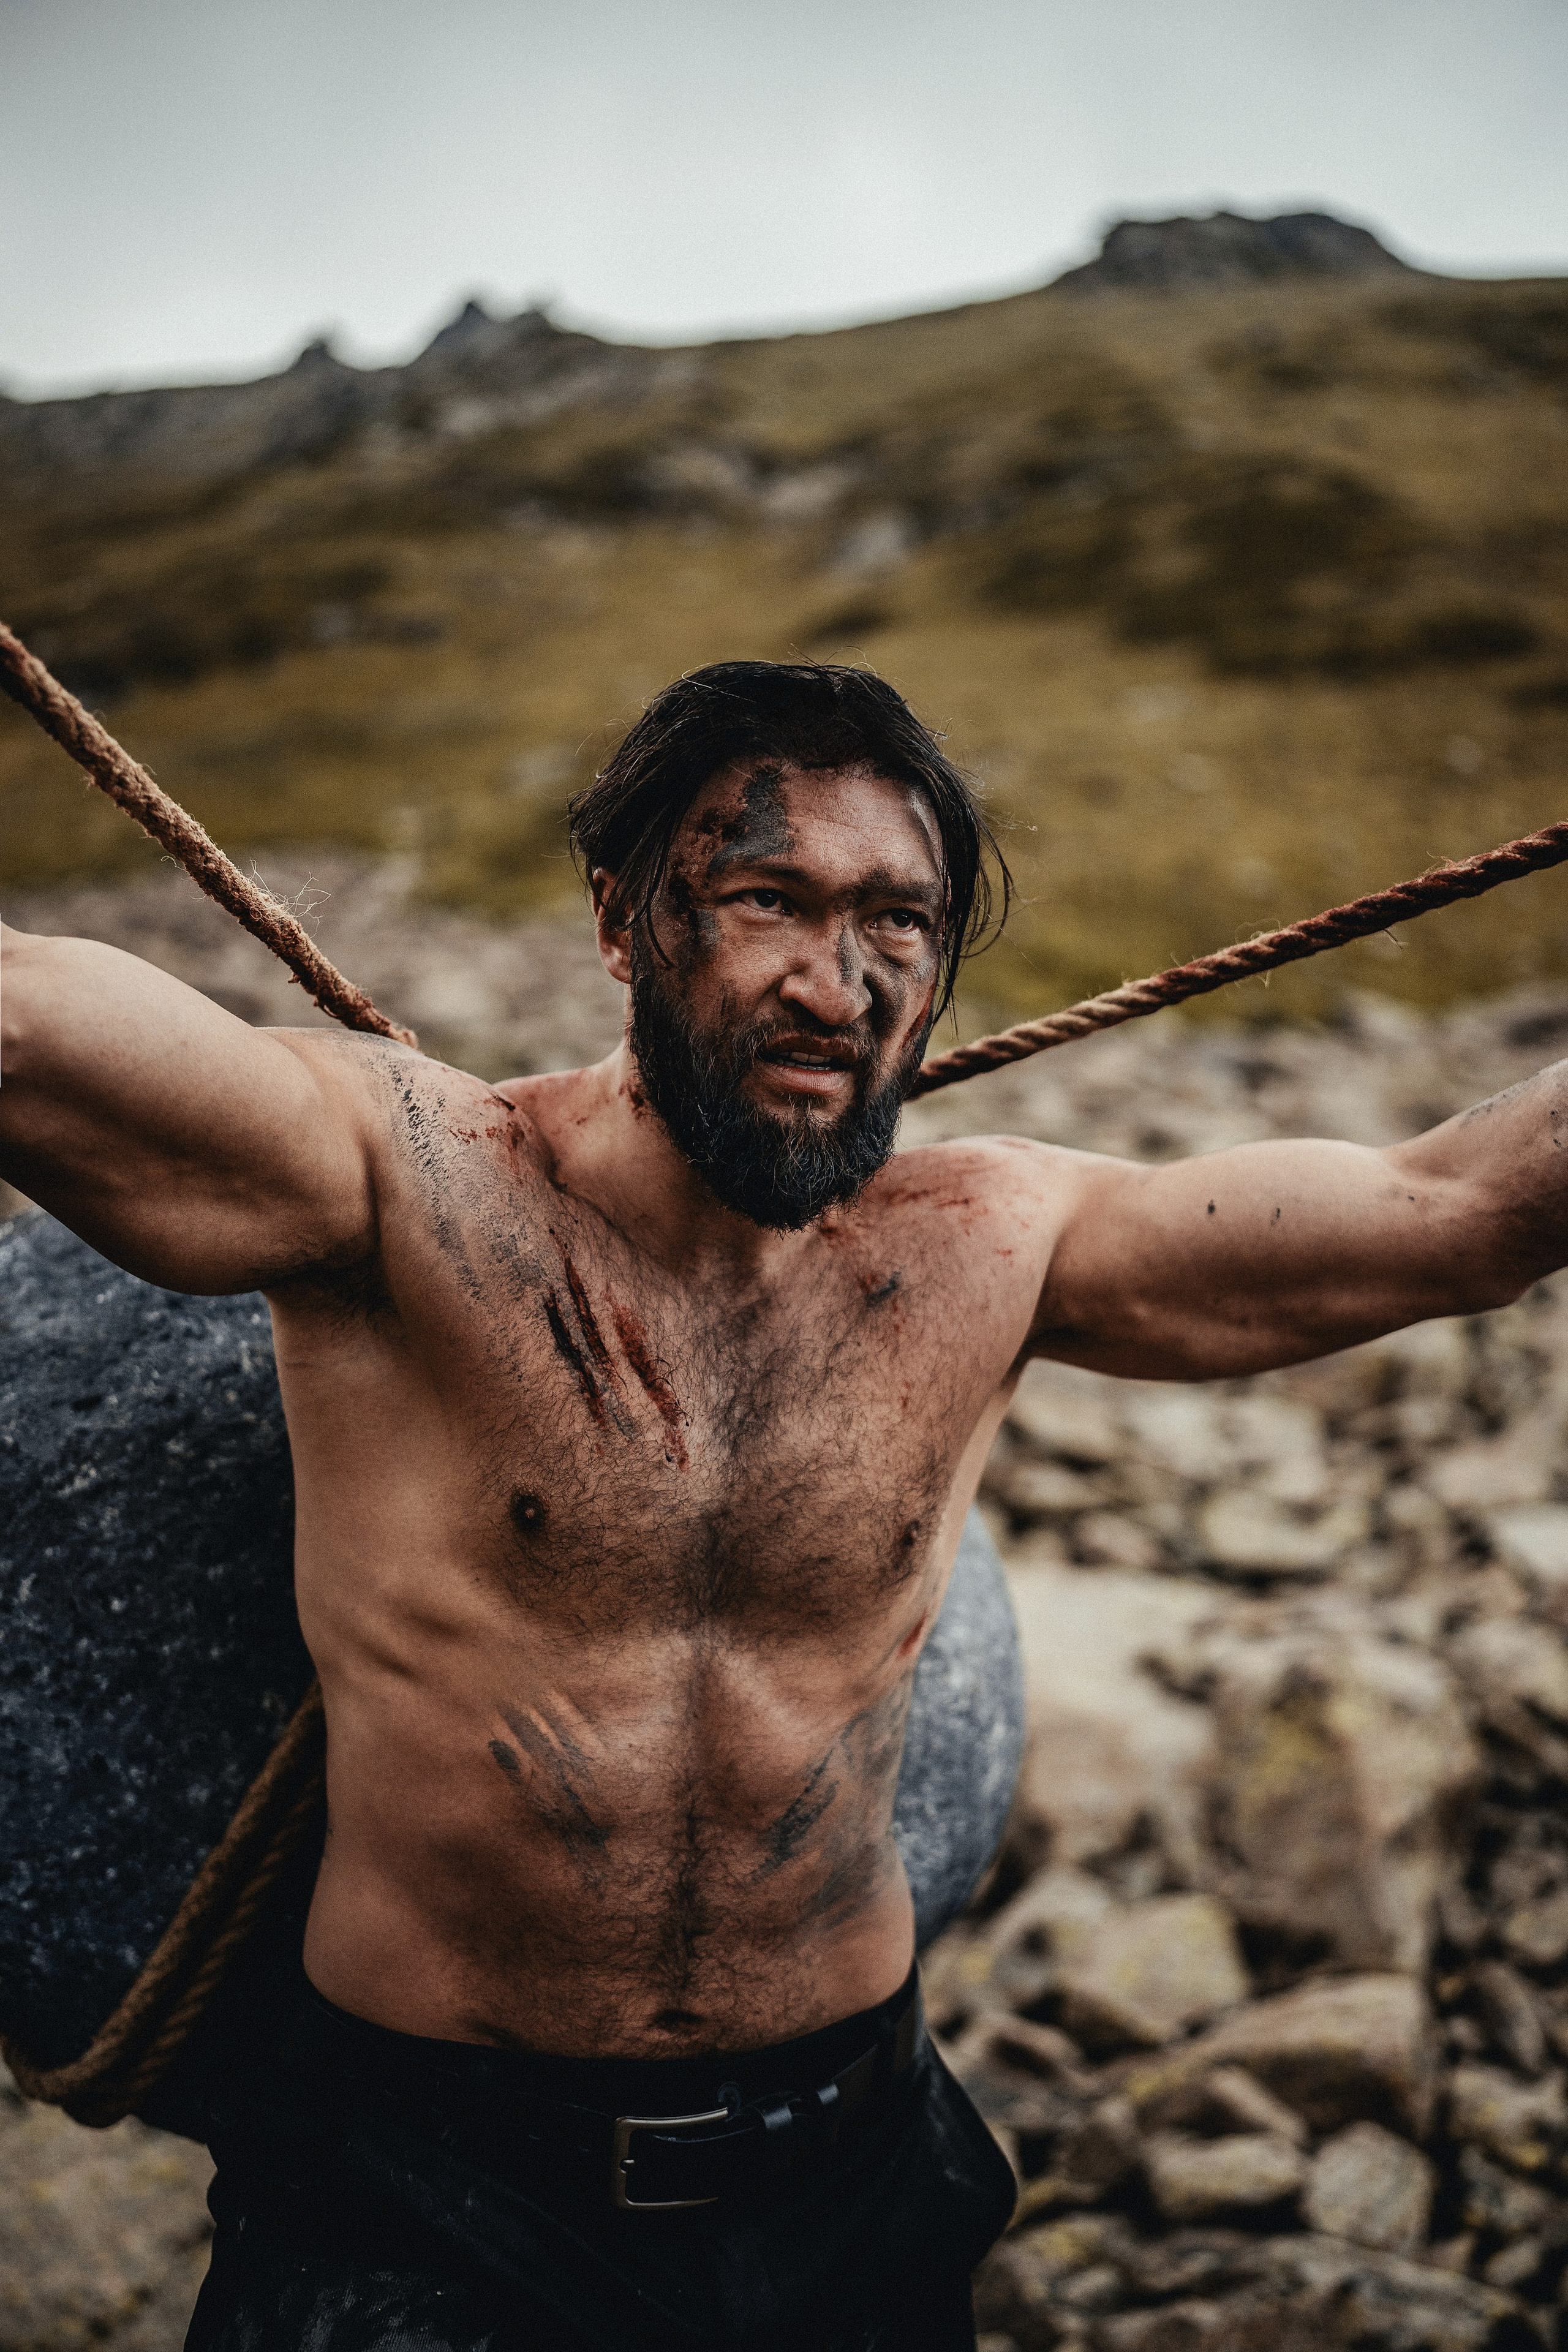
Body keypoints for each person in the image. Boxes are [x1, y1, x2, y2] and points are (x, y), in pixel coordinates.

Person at [1, 659, 1561, 2350]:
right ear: (623, 922)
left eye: (901, 921)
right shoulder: (411, 1183)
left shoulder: (992, 1245)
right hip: (428, 2190)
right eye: (770, 901)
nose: (841, 983)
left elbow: (1455, 1213)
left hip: (850, 2171)